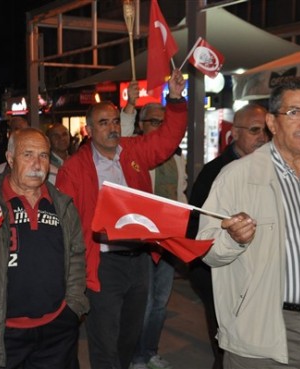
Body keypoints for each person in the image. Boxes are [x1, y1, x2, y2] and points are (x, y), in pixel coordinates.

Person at [197, 77, 300, 369]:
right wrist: (233, 239)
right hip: (262, 329)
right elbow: (206, 251)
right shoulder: (236, 176)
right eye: (295, 112)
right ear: (273, 123)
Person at [56, 69, 187, 369]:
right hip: (104, 264)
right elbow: (67, 224)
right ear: (89, 130)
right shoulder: (75, 169)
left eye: (115, 121)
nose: (112, 128)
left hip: (139, 260)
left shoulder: (133, 151)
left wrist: (176, 99)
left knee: (130, 334)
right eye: (104, 123)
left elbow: (167, 140)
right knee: (104, 338)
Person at [0, 128, 89, 369]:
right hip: (1, 334)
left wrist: (73, 307)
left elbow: (76, 255)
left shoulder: (63, 204)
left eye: (43, 155)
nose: (37, 163)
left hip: (57, 330)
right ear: (10, 159)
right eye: (28, 155)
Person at [187, 103, 268, 369]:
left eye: (266, 131)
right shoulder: (215, 174)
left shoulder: (273, 169)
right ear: (234, 133)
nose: (262, 137)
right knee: (227, 346)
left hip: (262, 278)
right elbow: (196, 231)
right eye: (255, 130)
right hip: (221, 276)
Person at [126, 102, 187, 369]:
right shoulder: (136, 153)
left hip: (170, 239)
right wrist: (129, 106)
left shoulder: (177, 159)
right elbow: (123, 137)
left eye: (164, 122)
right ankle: (135, 356)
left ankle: (149, 351)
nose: (161, 128)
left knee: (160, 303)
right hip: (142, 240)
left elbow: (181, 194)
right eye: (153, 122)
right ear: (141, 126)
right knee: (145, 303)